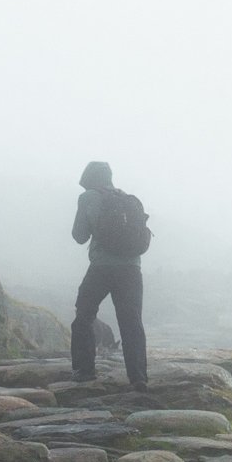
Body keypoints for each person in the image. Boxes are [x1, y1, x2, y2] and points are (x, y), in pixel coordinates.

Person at [70, 160, 151, 386]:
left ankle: (84, 370)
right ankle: (138, 378)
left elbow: (79, 236)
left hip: (102, 268)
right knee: (131, 322)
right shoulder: (127, 199)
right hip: (132, 269)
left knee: (84, 315)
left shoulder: (88, 197)